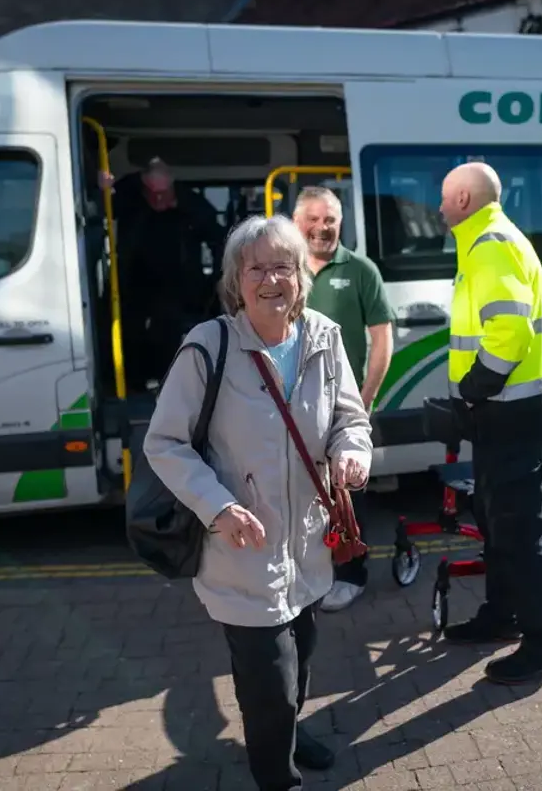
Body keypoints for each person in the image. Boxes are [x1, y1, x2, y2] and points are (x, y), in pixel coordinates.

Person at [143, 214, 373, 791]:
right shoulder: (209, 346)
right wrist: (217, 507)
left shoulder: (324, 335)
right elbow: (164, 442)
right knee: (268, 681)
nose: (271, 279)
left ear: (301, 276)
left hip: (308, 550)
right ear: (235, 281)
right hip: (243, 551)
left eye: (283, 267)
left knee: (300, 660)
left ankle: (292, 735)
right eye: (256, 269)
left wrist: (353, 451)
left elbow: (350, 416)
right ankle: (278, 776)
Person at [438, 161, 542, 684]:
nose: (440, 207)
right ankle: (504, 615)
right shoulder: (483, 241)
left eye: (445, 198)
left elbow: (508, 333)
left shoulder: (490, 244)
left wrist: (473, 388)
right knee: (497, 524)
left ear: (465, 199)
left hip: (510, 412)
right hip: (505, 414)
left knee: (518, 529)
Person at [293, 186, 393, 613]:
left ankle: (352, 574)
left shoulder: (359, 270)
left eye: (329, 219)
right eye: (313, 219)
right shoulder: (285, 269)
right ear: (297, 222)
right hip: (295, 403)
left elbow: (382, 341)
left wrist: (365, 401)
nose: (322, 227)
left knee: (349, 489)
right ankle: (313, 572)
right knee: (304, 491)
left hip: (342, 406)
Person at [100, 158, 227, 389]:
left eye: (163, 193)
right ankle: (131, 387)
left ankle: (169, 386)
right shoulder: (128, 199)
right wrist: (102, 189)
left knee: (167, 332)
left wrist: (218, 278)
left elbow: (219, 241)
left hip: (177, 285)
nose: (158, 199)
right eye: (151, 192)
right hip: (131, 283)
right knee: (128, 334)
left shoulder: (192, 204)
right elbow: (98, 209)